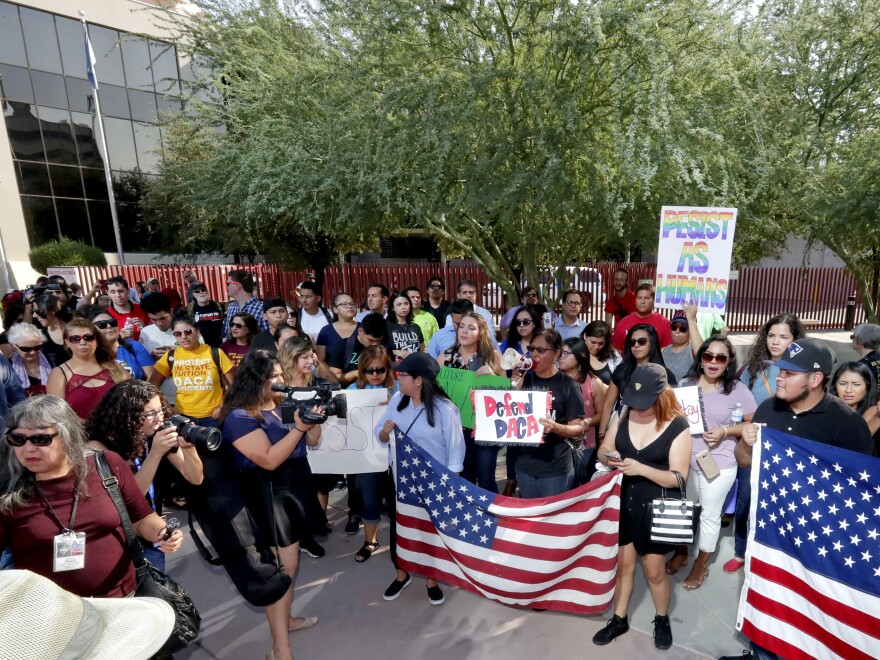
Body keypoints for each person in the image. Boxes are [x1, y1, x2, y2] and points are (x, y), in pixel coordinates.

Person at [728, 338, 874, 660]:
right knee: (765, 593)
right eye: (780, 370)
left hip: (816, 540)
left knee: (802, 609)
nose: (779, 377)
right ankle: (759, 653)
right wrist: (747, 444)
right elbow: (743, 461)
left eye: (790, 373)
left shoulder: (846, 424)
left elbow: (865, 489)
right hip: (769, 530)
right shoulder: (767, 409)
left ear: (815, 379)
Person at [0, 395, 183, 597]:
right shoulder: (7, 490)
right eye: (17, 439)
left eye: (40, 439)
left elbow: (140, 518)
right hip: (52, 616)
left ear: (67, 436)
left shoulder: (105, 465)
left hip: (123, 601)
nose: (28, 448)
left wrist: (162, 533)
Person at [220, 351, 322, 660]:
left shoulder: (281, 405)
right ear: (255, 381)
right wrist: (299, 428)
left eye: (280, 374)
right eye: (273, 377)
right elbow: (268, 459)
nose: (280, 381)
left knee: (290, 567)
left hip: (296, 486)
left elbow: (313, 441)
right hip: (269, 492)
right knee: (283, 571)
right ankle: (280, 648)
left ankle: (286, 622)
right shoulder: (239, 416)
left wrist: (312, 416)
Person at [593, 363, 691, 650]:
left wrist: (640, 468)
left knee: (654, 571)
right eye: (633, 402)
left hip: (656, 507)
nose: (638, 408)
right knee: (623, 566)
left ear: (662, 395)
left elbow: (678, 478)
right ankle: (619, 618)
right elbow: (603, 448)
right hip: (623, 503)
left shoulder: (678, 425)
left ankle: (662, 619)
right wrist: (610, 458)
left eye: (644, 403)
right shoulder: (623, 414)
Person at [665, 336, 757, 588]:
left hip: (719, 461)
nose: (714, 362)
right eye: (708, 356)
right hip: (683, 460)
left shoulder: (738, 390)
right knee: (683, 510)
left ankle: (701, 563)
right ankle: (681, 552)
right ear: (701, 358)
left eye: (721, 357)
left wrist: (726, 432)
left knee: (709, 515)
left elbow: (752, 423)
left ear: (728, 362)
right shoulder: (685, 384)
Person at [84, 380, 204, 570]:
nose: (159, 418)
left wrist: (189, 448)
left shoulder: (155, 434)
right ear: (127, 416)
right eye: (150, 414)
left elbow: (195, 477)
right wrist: (155, 453)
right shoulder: (99, 448)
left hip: (150, 529)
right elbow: (127, 500)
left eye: (160, 410)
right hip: (120, 537)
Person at [376, 352, 465, 605]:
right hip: (401, 481)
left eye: (402, 375)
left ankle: (431, 579)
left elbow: (455, 451)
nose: (397, 378)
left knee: (430, 531)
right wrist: (383, 432)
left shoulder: (446, 410)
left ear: (419, 381)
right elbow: (381, 434)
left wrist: (450, 485)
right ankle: (401, 573)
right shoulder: (397, 400)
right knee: (400, 527)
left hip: (434, 484)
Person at [727, 313, 805, 575]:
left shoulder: (803, 371)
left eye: (784, 336)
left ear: (795, 340)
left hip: (785, 451)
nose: (775, 341)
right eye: (771, 335)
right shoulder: (751, 368)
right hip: (752, 445)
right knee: (745, 500)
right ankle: (740, 552)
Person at [510, 329, 585, 497]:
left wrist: (556, 427)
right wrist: (513, 388)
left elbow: (579, 428)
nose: (534, 355)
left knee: (552, 521)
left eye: (541, 350)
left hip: (555, 469)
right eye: (531, 349)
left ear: (557, 354)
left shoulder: (568, 385)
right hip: (524, 466)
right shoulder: (524, 380)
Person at [277, 337, 332, 557]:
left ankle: (306, 540)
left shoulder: (314, 387)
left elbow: (313, 440)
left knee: (303, 500)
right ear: (292, 358)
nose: (312, 360)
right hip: (277, 454)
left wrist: (312, 422)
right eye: (306, 357)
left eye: (312, 355)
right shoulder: (277, 387)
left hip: (301, 456)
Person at [439, 311, 504, 491]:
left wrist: (494, 377)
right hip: (455, 429)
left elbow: (506, 395)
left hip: (485, 429)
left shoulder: (494, 357)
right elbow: (436, 392)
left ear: (481, 332)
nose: (464, 331)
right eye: (461, 326)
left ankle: (491, 518)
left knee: (486, 479)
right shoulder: (445, 357)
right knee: (463, 480)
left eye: (471, 328)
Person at [347, 345, 396, 562]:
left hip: (395, 458)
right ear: (362, 370)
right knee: (368, 499)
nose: (375, 375)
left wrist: (394, 402)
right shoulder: (351, 391)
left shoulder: (400, 392)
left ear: (388, 369)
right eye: (369, 370)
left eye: (380, 370)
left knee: (397, 502)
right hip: (366, 458)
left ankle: (401, 541)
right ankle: (370, 541)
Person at [150, 312, 234, 427]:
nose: (183, 337)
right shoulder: (170, 356)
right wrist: (168, 408)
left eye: (188, 332)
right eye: (178, 333)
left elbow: (234, 386)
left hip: (214, 418)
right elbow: (151, 386)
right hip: (183, 418)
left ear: (197, 332)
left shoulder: (215, 353)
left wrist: (222, 408)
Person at [599, 324, 677, 436]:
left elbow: (671, 410)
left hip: (653, 432)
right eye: (632, 342)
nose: (636, 345)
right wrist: (601, 434)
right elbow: (608, 405)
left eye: (641, 341)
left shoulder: (665, 375)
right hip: (620, 430)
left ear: (653, 343)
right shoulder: (622, 370)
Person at [46, 318, 130, 422]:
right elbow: (57, 414)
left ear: (97, 341)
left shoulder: (113, 365)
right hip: (80, 435)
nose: (82, 342)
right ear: (67, 343)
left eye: (88, 337)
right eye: (75, 339)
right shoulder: (59, 373)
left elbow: (131, 397)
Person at [559, 337, 607, 469]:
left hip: (583, 444)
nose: (560, 357)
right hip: (556, 443)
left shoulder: (594, 383)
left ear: (580, 356)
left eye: (566, 354)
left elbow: (603, 413)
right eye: (560, 353)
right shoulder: (555, 379)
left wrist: (587, 422)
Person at [80, 306, 155, 381]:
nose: (109, 326)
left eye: (112, 322)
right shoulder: (90, 355)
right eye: (101, 324)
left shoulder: (134, 346)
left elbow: (152, 380)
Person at [829, 361, 880, 450]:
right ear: (835, 386)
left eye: (856, 384)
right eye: (843, 383)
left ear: (867, 387)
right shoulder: (824, 412)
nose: (848, 390)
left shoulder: (874, 412)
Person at [328, 313, 389, 387]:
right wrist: (355, 373)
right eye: (370, 340)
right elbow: (333, 378)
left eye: (379, 341)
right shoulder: (343, 346)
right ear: (360, 331)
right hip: (350, 392)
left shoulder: (385, 346)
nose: (375, 344)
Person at [611, 283, 672, 352]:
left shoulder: (664, 323)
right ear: (635, 300)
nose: (642, 302)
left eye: (646, 298)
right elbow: (617, 351)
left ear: (653, 300)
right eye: (639, 298)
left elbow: (668, 352)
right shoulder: (623, 323)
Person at [7, 323, 51, 397]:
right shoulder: (8, 367)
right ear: (13, 345)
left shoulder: (51, 359)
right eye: (26, 349)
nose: (32, 352)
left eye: (37, 347)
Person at [222, 269, 268, 340]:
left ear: (237, 285)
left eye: (228, 284)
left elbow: (268, 338)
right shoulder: (231, 307)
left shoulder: (262, 308)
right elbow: (228, 335)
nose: (227, 287)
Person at [660, 308, 702, 382]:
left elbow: (701, 353)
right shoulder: (662, 351)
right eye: (674, 327)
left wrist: (691, 320)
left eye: (683, 329)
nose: (677, 331)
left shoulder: (692, 351)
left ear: (690, 331)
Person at [315, 292, 358, 364]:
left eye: (352, 304)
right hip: (333, 374)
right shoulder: (326, 331)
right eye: (344, 304)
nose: (350, 306)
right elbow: (320, 361)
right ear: (335, 309)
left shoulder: (363, 328)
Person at [105, 276, 150, 342]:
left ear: (128, 290)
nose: (118, 295)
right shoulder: (105, 314)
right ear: (107, 293)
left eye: (121, 291)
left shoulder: (143, 309)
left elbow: (156, 334)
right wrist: (118, 338)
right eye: (113, 292)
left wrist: (145, 329)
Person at [32, 293, 72, 368]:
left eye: (37, 310)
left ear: (52, 311)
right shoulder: (40, 336)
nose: (34, 315)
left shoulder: (77, 329)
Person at [385, 291, 425, 358]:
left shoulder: (416, 327)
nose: (403, 307)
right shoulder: (386, 326)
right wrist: (396, 352)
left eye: (406, 304)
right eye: (399, 304)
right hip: (395, 366)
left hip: (415, 365)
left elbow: (422, 350)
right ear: (393, 308)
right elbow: (379, 350)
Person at [582, 320, 622, 385]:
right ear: (585, 336)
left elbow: (622, 378)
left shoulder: (612, 355)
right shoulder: (576, 353)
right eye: (593, 342)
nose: (596, 347)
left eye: (601, 344)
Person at [188, 282, 225, 347]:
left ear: (207, 291)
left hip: (220, 347)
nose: (201, 292)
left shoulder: (219, 306)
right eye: (197, 291)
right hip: (201, 348)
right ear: (193, 294)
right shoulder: (191, 310)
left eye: (203, 290)